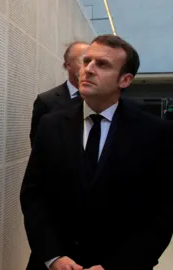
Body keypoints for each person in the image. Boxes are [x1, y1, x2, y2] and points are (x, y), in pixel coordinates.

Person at [20, 34, 173, 270]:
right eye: (86, 61)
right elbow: (33, 196)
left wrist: (117, 265)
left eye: (102, 64)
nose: (88, 69)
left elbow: (162, 211)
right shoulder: (51, 125)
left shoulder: (154, 132)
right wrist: (53, 257)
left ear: (125, 80)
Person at [29, 42, 89, 146]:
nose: (89, 68)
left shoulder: (103, 99)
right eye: (84, 60)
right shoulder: (46, 101)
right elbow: (38, 145)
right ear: (68, 65)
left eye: (94, 62)